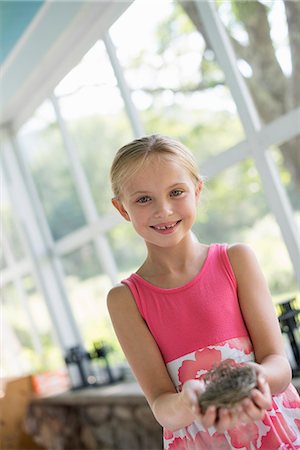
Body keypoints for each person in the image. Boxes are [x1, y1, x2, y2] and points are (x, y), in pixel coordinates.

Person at [107, 134, 300, 449]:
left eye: (176, 192)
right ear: (122, 208)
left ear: (197, 191)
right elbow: (160, 404)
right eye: (144, 199)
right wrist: (186, 403)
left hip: (278, 430)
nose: (164, 210)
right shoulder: (125, 300)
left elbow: (277, 361)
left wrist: (258, 378)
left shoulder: (237, 260)